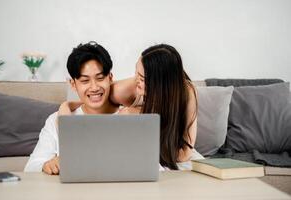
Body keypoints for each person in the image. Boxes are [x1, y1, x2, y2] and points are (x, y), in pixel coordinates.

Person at [59, 44, 204, 170]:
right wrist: (66, 106)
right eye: (136, 73)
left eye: (142, 78)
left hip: (170, 151)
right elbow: (94, 97)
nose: (136, 81)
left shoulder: (187, 92)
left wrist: (139, 114)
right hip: (160, 148)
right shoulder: (121, 91)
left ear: (159, 84)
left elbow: (184, 154)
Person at [24, 41, 119, 175]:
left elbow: (156, 167)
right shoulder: (56, 119)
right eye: (85, 81)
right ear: (73, 84)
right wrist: (47, 165)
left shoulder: (130, 116)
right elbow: (31, 167)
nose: (94, 87)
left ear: (110, 78)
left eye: (100, 78)